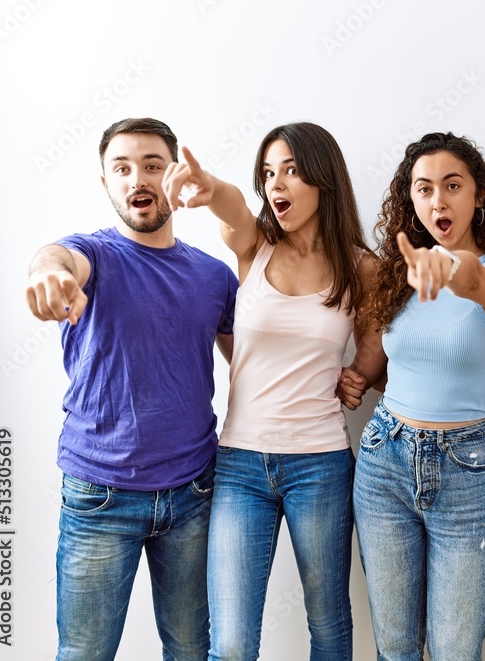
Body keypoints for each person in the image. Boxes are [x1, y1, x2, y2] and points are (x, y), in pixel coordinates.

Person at [24, 117, 237, 661]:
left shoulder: (215, 277)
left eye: (151, 165)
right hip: (100, 494)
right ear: (106, 183)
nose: (136, 178)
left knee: (191, 649)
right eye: (121, 168)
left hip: (193, 494)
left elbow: (253, 368)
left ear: (174, 177)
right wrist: (48, 273)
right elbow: (56, 258)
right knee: (85, 652)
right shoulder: (91, 257)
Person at [162, 122, 373, 661]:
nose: (276, 185)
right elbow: (233, 208)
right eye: (268, 174)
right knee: (231, 643)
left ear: (324, 178)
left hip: (321, 464)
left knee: (329, 626)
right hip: (240, 465)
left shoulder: (360, 266)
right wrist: (212, 190)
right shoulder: (254, 245)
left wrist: (363, 375)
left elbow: (383, 341)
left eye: (292, 171)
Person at [339, 131, 485, 661]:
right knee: (395, 649)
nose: (438, 200)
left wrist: (451, 269)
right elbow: (390, 365)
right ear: (410, 200)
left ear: (479, 195)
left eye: (452, 186)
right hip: (384, 460)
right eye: (424, 189)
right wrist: (353, 376)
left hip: (466, 472)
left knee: (453, 650)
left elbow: (476, 283)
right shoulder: (398, 278)